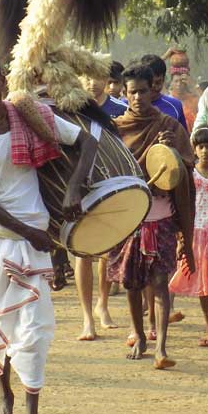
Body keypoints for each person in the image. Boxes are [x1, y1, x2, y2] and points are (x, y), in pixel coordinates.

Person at [0, 53, 97, 414]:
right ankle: (4, 392)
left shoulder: (28, 114)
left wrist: (72, 190)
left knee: (34, 329)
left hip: (33, 239)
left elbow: (86, 142)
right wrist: (26, 233)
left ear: (3, 81)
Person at [110, 62, 196, 370]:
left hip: (161, 216)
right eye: (132, 92)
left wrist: (172, 153)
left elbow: (188, 166)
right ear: (124, 92)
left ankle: (161, 345)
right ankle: (138, 334)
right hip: (128, 216)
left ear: (152, 91)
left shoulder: (169, 127)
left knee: (160, 282)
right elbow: (108, 172)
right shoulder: (116, 128)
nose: (137, 98)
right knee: (131, 283)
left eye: (143, 91)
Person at [72, 66, 125, 340]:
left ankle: (103, 305)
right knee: (82, 253)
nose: (93, 83)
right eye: (87, 77)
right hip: (80, 186)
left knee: (106, 251)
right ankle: (86, 318)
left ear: (108, 80)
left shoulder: (120, 108)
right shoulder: (71, 108)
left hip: (111, 184)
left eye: (98, 77)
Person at [168, 127, 208, 348]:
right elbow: (181, 206)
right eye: (201, 146)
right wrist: (181, 238)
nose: (205, 151)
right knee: (203, 283)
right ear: (194, 149)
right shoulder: (190, 175)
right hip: (196, 233)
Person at [139, 53, 188, 130]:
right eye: (150, 83)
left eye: (158, 82)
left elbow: (183, 138)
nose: (153, 86)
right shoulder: (126, 105)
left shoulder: (175, 105)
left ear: (164, 80)